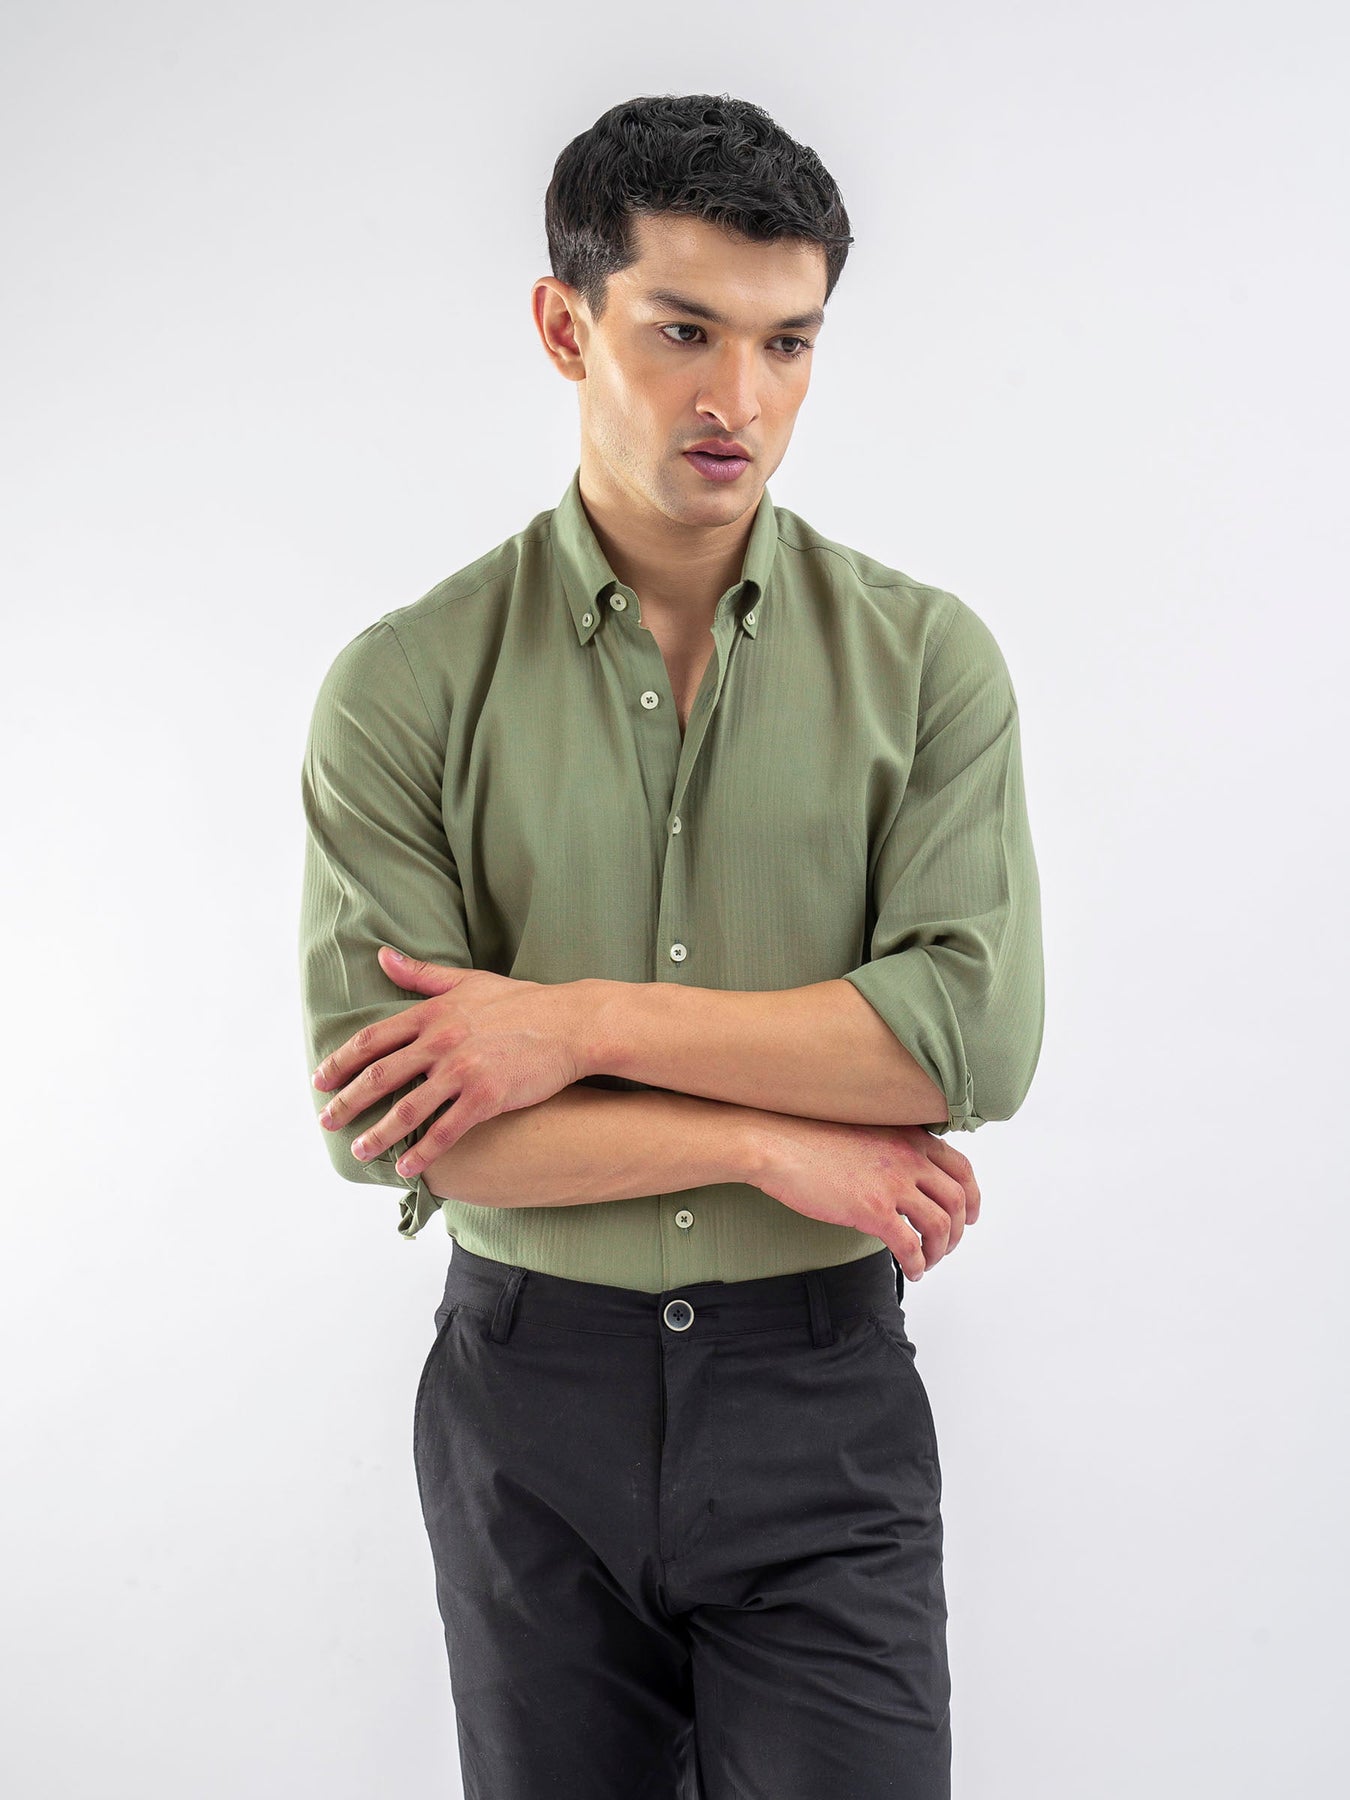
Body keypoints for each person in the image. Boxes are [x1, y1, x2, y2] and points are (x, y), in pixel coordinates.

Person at [298, 91, 1044, 1800]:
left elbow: (965, 1039)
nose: (740, 400)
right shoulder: (406, 686)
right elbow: (393, 1123)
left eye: (789, 343)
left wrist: (565, 1028)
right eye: (683, 331)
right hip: (526, 1403)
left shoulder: (926, 663)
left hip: (818, 1397)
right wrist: (768, 1140)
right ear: (566, 325)